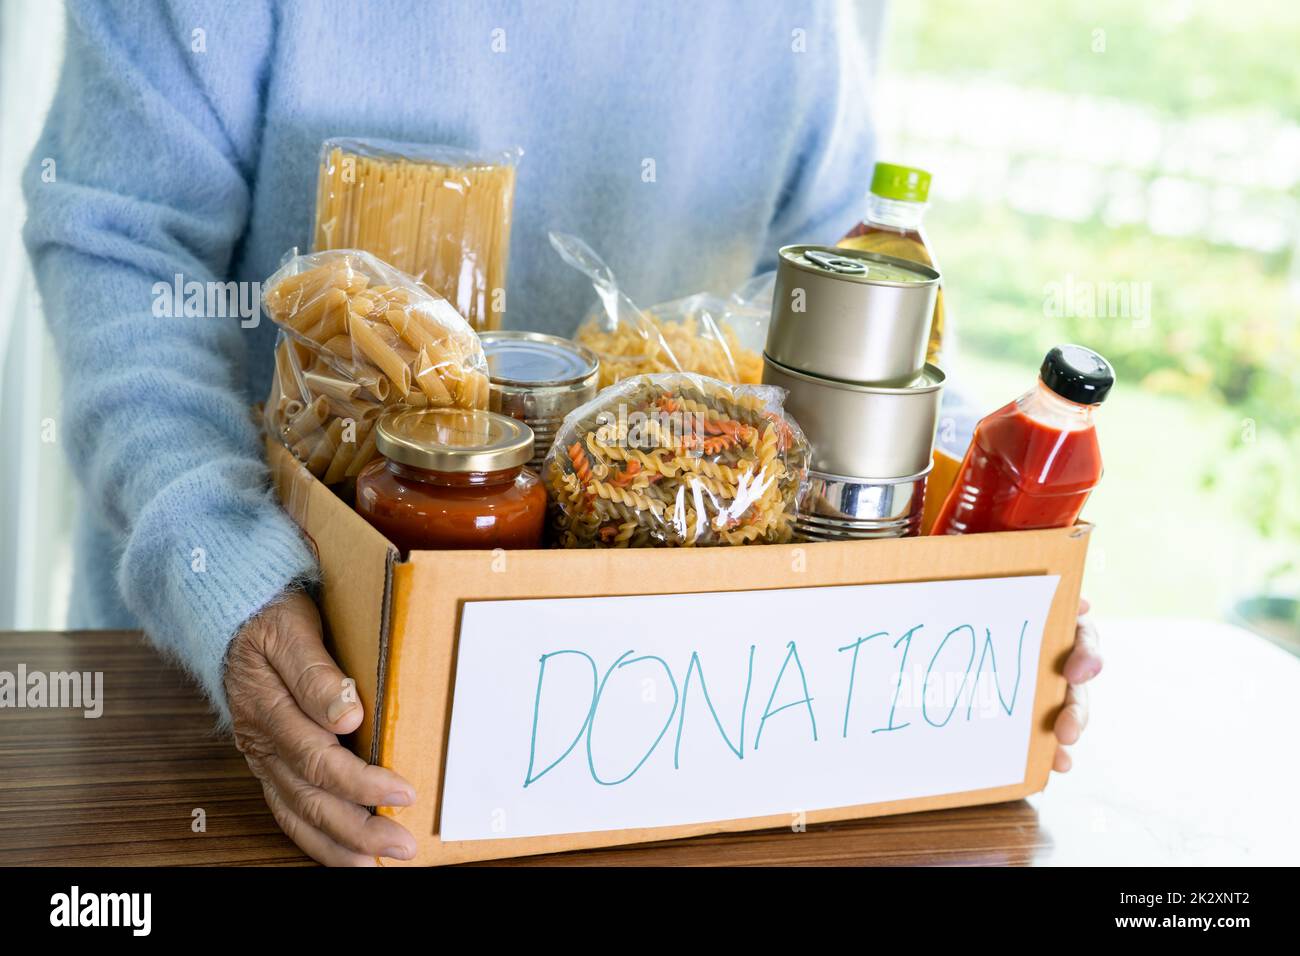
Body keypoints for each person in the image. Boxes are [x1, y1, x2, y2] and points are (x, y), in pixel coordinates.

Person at [22, 0, 1101, 866]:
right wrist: (222, 572)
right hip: (251, 706)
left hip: (661, 723)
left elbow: (857, 312)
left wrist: (983, 574)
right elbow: (119, 246)